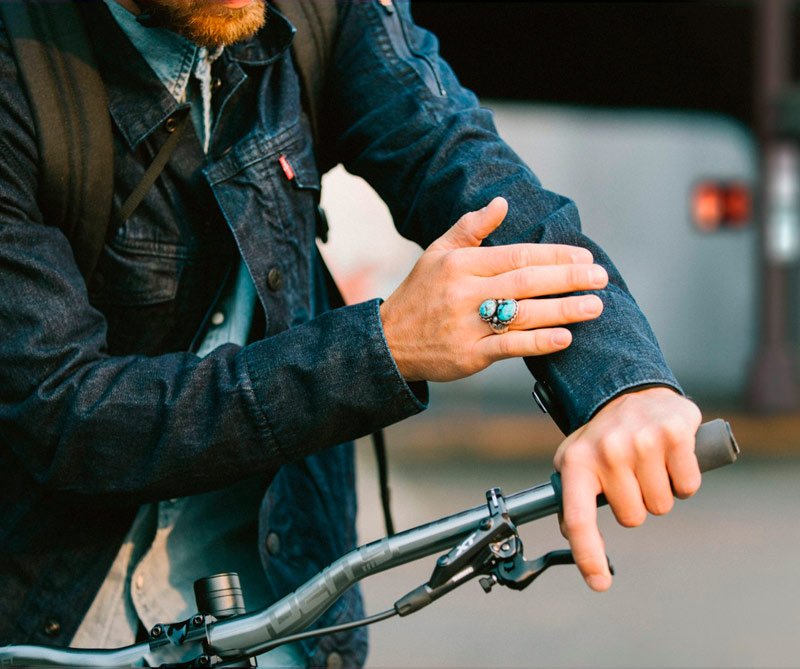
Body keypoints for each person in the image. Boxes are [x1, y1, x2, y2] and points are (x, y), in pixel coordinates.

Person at [0, 0, 701, 666]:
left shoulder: (324, 10)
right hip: (61, 605)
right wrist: (384, 348)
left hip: (283, 590)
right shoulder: (18, 63)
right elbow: (62, 409)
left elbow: (461, 162)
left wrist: (619, 383)